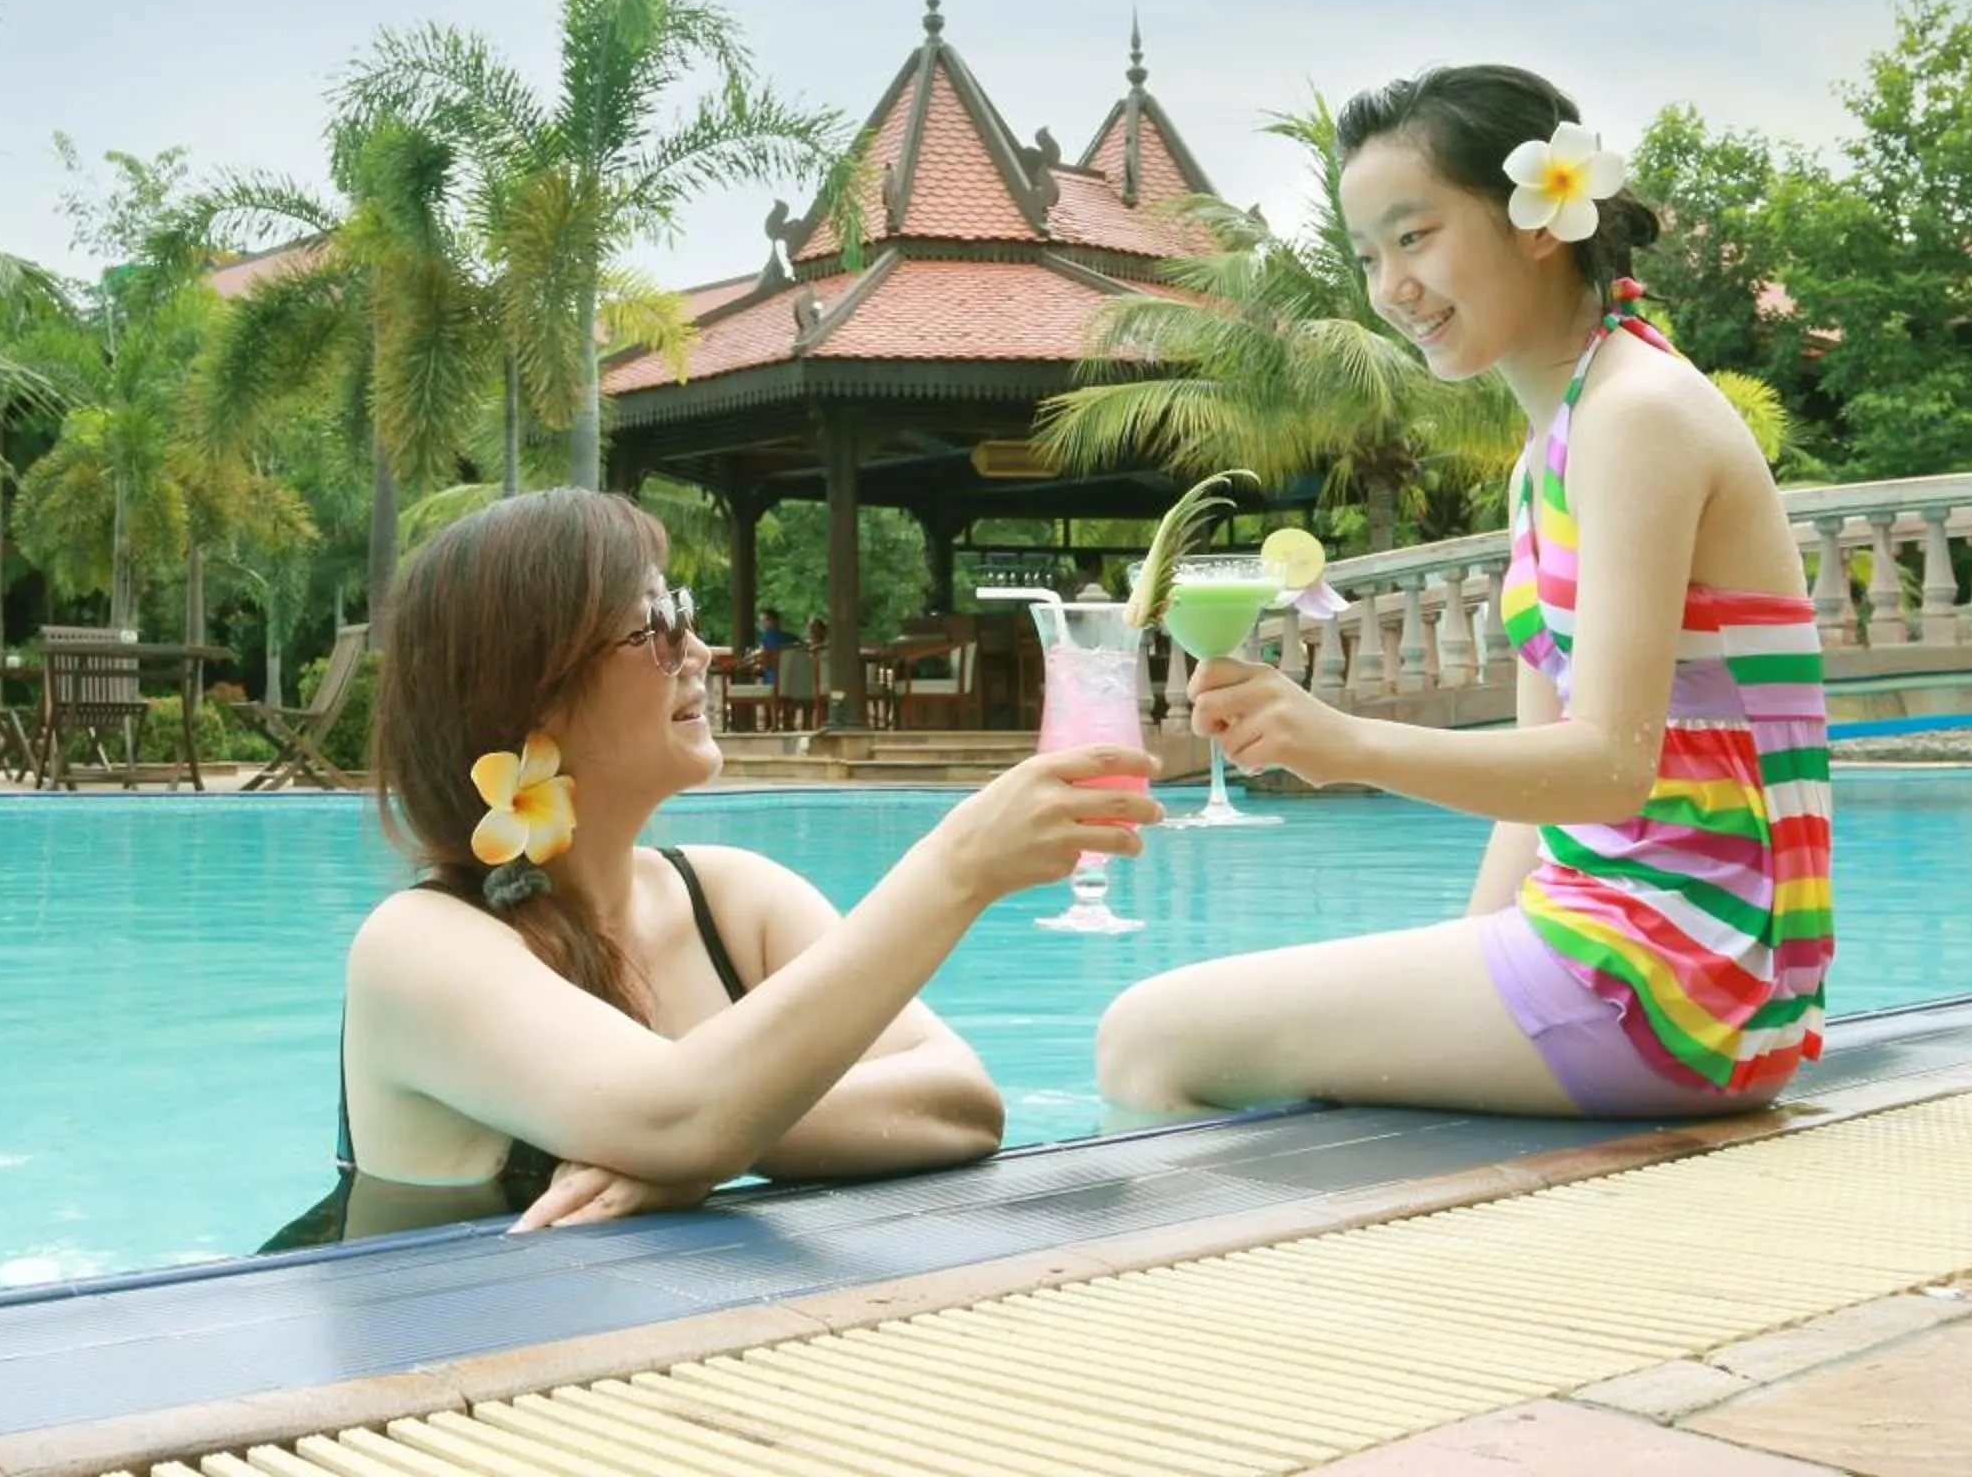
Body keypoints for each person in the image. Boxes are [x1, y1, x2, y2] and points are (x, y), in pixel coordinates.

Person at [1097, 64, 1832, 1123]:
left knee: (1147, 1039)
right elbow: (1545, 790)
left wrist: (1344, 743)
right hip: (1648, 964)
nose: (1391, 287)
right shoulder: (1556, 447)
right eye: (1368, 256)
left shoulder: (1638, 416)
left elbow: (1608, 767)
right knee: (1296, 1054)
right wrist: (1471, 953)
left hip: (1671, 979)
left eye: (1415, 236)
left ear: (1537, 221)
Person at [267, 488, 1159, 1246]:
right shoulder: (419, 945)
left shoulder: (733, 901)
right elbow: (680, 1114)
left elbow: (960, 1103)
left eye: (683, 615)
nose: (700, 652)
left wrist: (709, 1141)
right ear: (531, 691)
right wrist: (955, 866)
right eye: (657, 627)